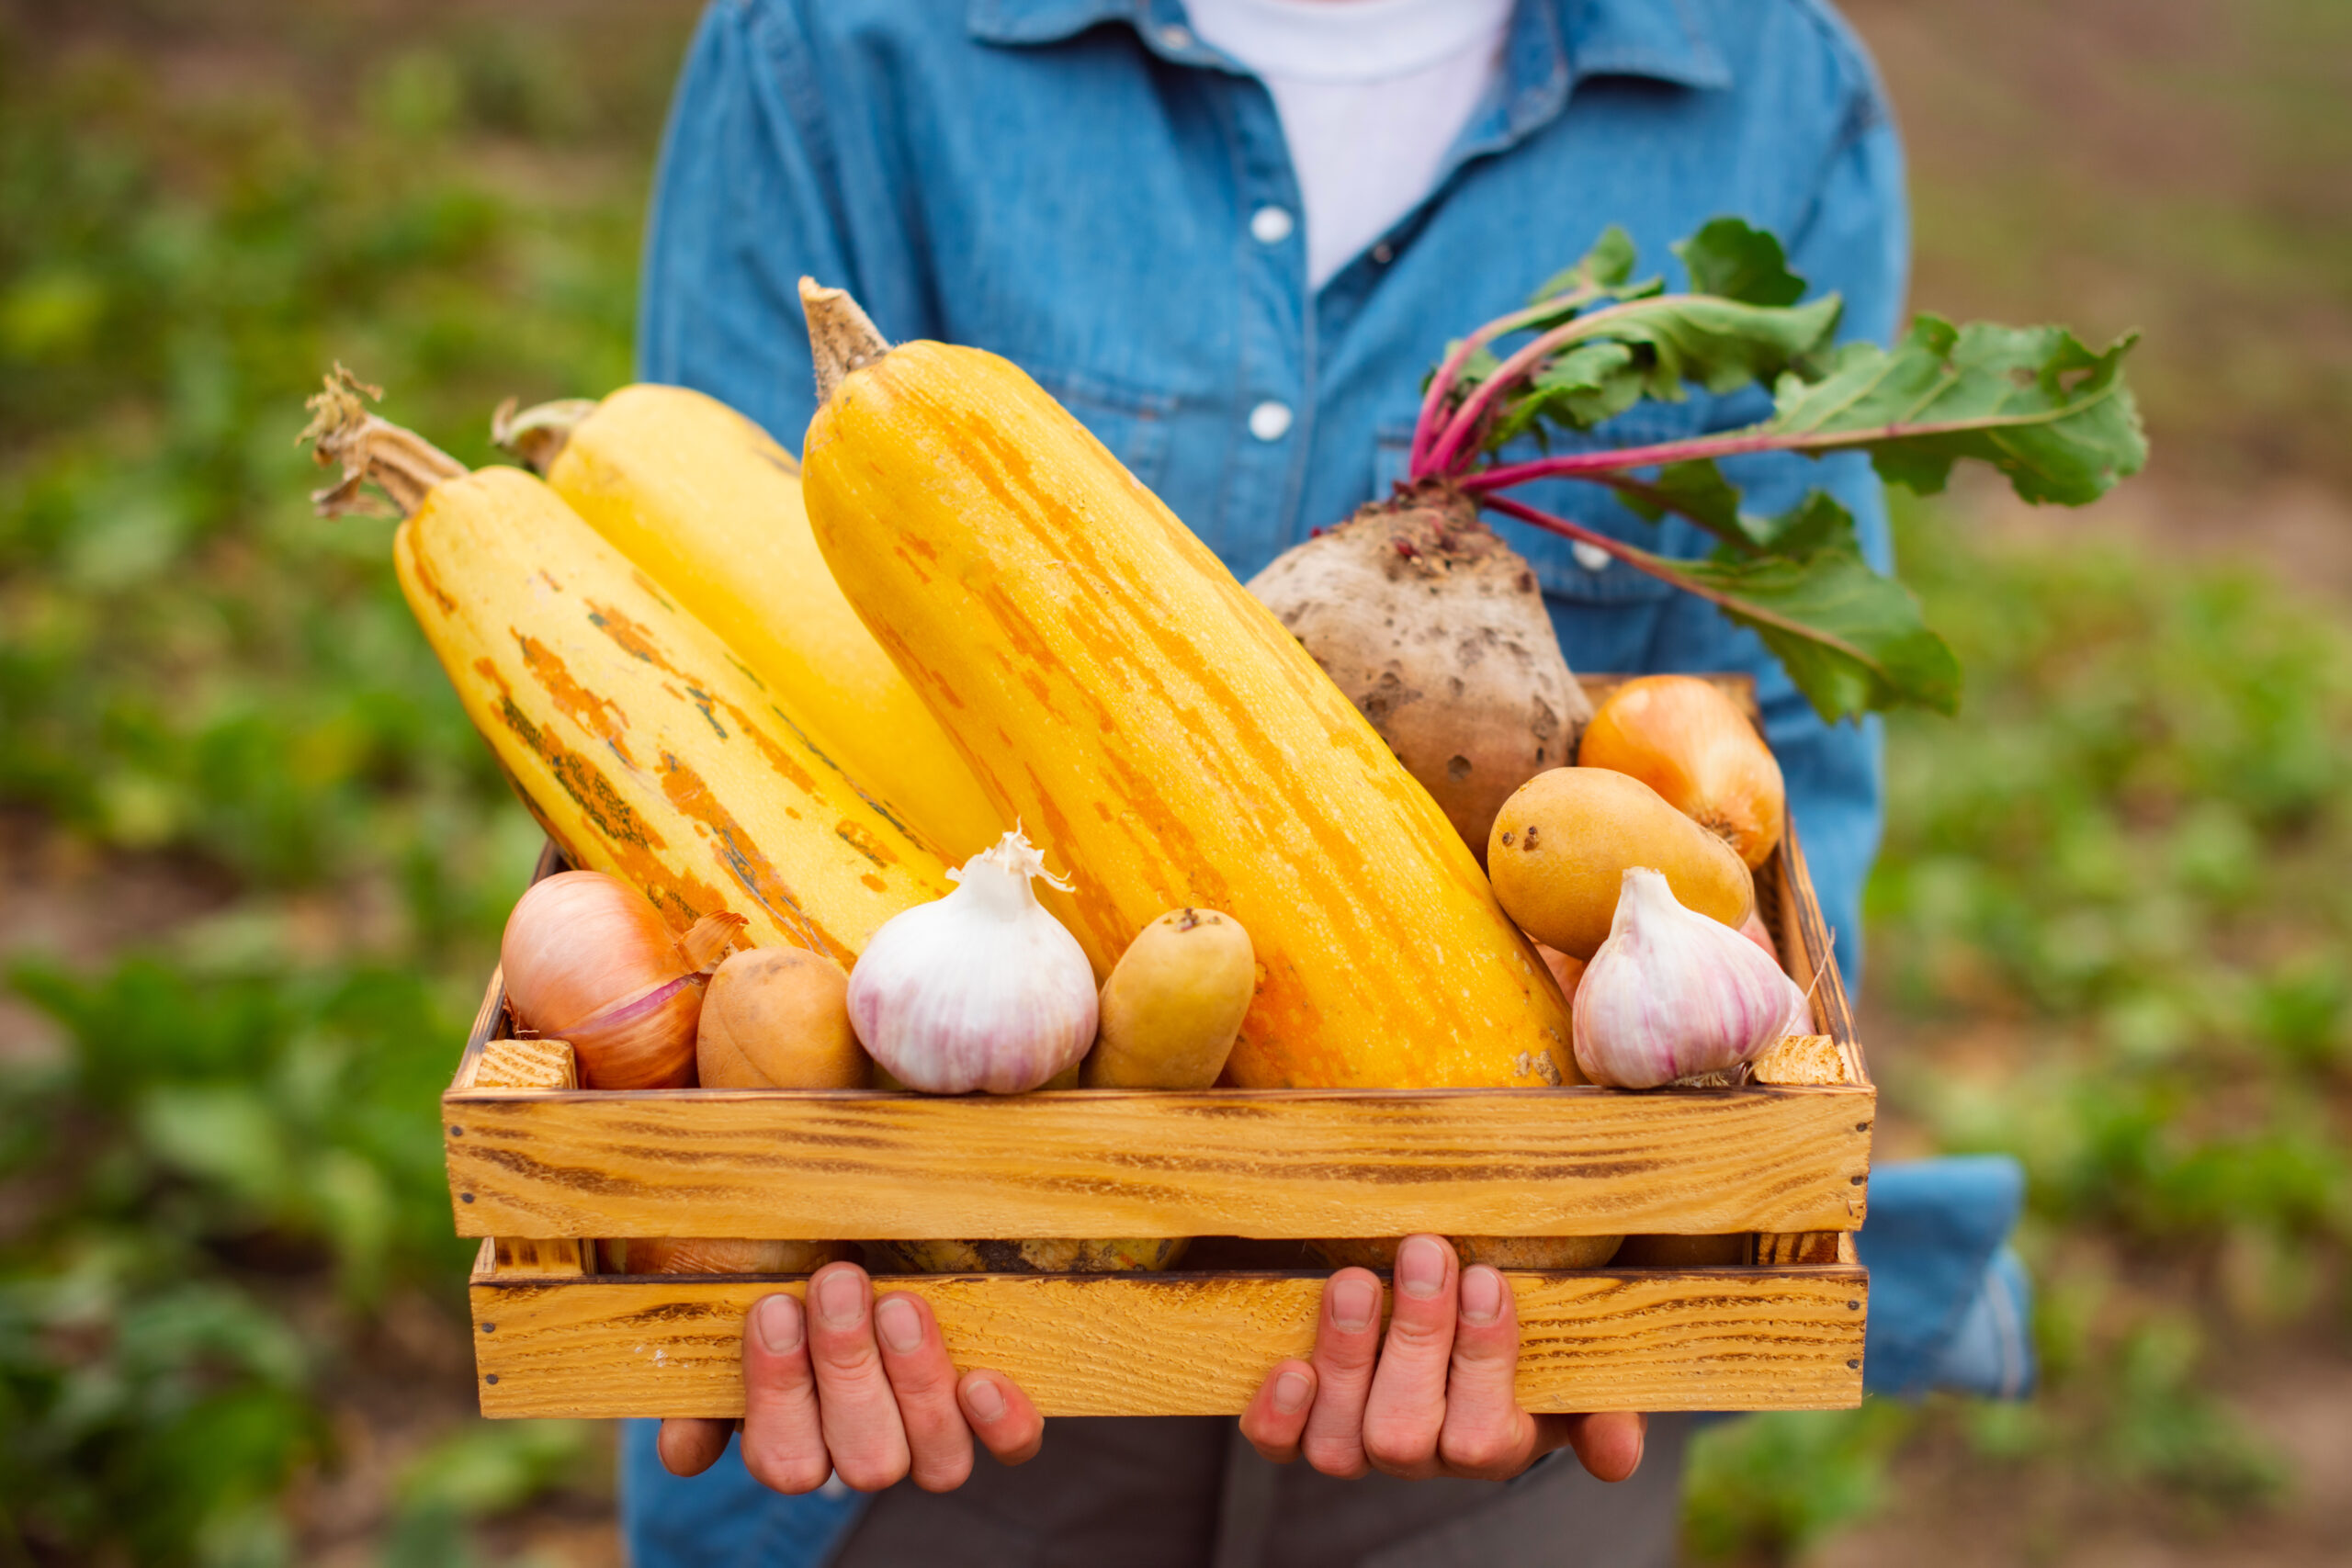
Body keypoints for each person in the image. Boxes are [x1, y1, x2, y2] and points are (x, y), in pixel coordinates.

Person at [620, 2, 2034, 1563]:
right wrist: (761, 1220)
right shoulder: (828, 43)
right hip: (942, 1365)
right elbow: (696, 677)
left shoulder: (1775, 83)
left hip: (1511, 1395)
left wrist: (1660, 1274)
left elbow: (1782, 787)